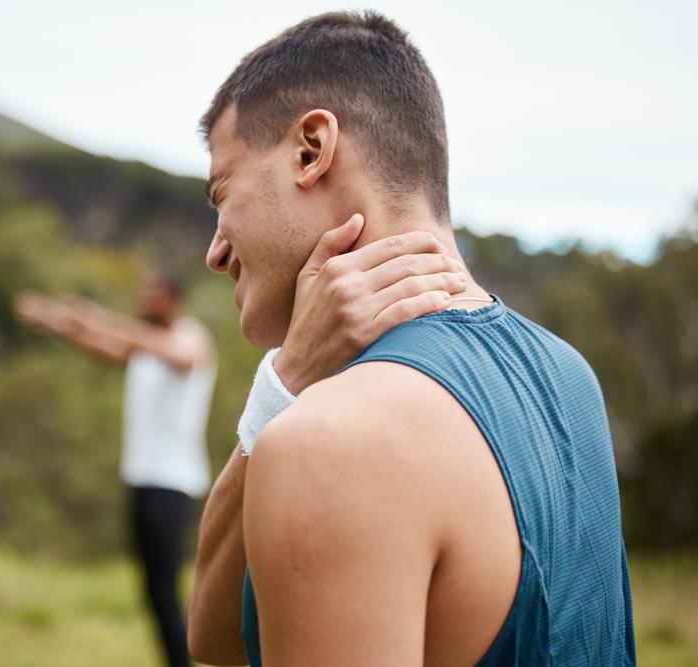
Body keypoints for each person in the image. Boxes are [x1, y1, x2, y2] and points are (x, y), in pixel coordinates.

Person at [188, 11, 634, 667]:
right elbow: (214, 633)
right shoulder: (570, 375)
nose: (215, 250)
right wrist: (283, 383)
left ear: (311, 149)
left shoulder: (333, 442)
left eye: (221, 192)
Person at [14, 275, 216, 667]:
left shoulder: (191, 338)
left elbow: (167, 351)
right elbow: (110, 348)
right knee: (153, 589)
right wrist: (61, 324)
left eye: (153, 298)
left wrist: (93, 315)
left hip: (172, 483)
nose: (144, 302)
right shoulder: (145, 346)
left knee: (164, 588)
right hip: (141, 479)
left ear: (175, 300)